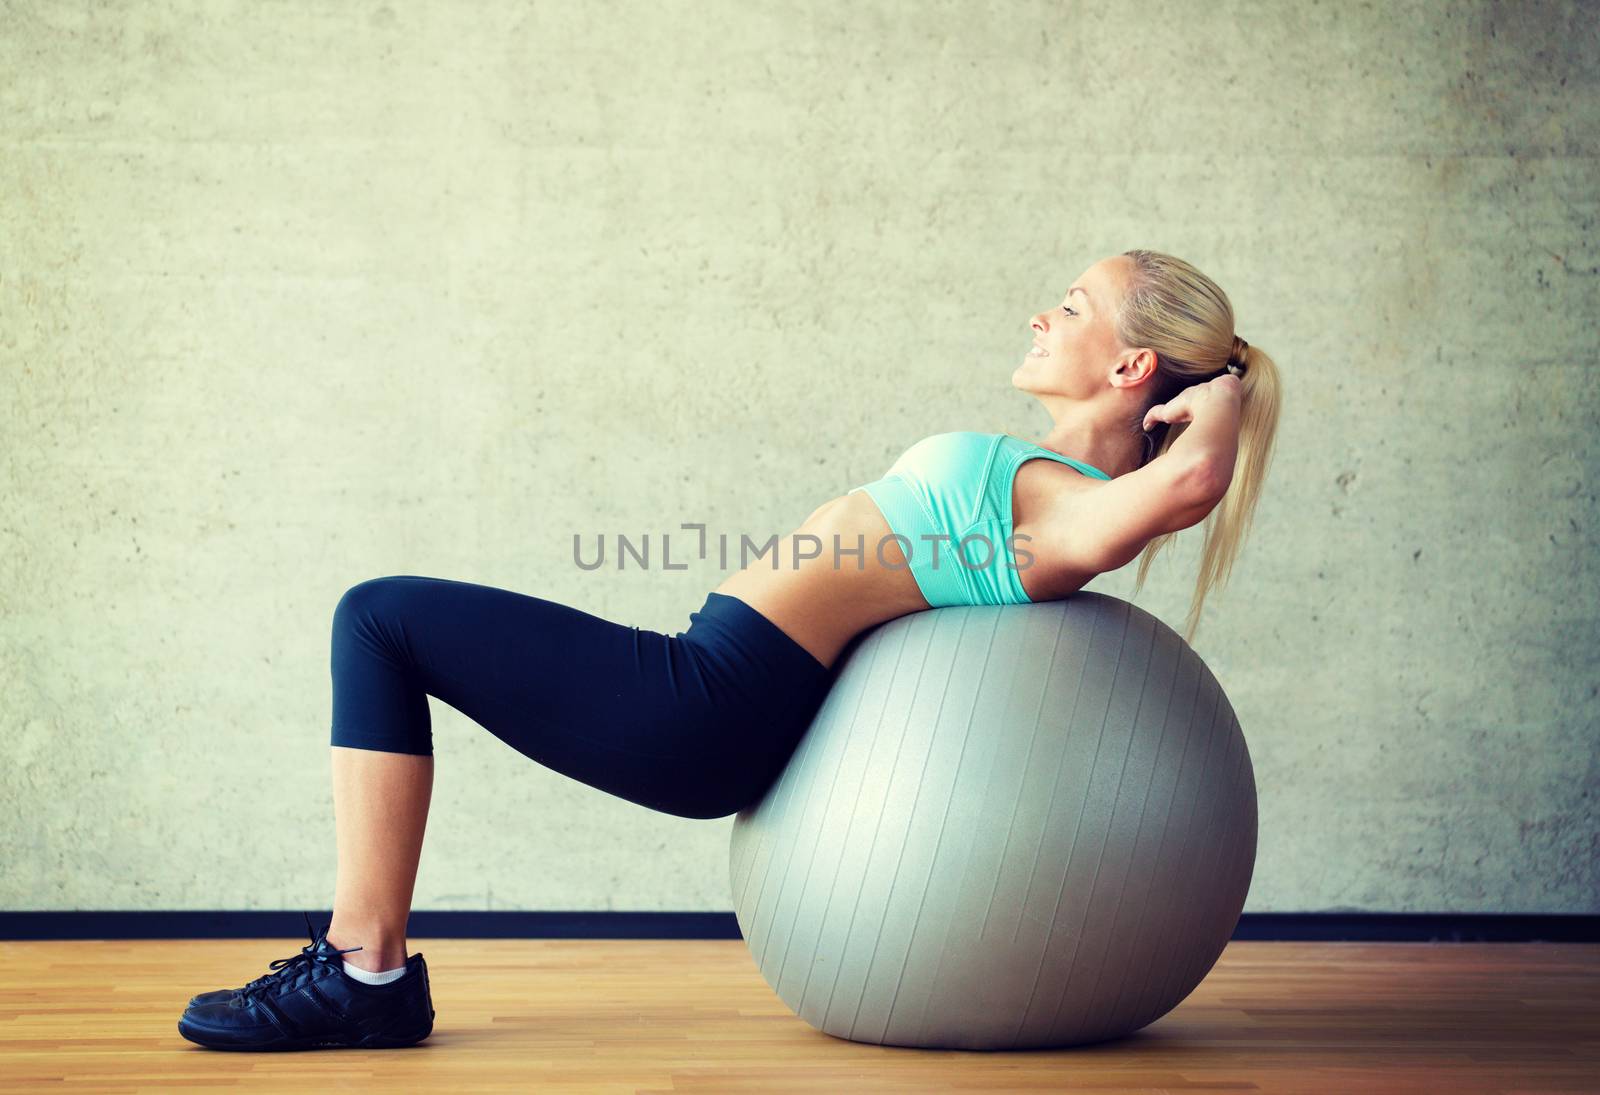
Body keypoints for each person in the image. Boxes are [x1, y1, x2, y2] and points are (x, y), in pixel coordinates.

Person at [176, 249, 1281, 1051]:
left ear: (1133, 367)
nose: (1044, 313)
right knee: (382, 617)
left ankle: (363, 967)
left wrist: (1223, 396)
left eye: (1073, 304)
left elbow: (1186, 484)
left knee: (379, 615)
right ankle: (362, 967)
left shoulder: (1061, 503)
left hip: (704, 701)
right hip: (712, 680)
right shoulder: (1056, 488)